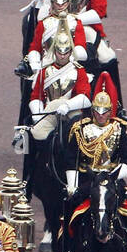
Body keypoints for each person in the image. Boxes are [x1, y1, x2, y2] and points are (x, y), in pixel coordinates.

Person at [56, 72, 127, 252]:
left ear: (110, 111)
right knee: (69, 212)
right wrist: (72, 185)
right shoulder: (80, 130)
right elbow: (71, 158)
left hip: (112, 179)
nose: (100, 115)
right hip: (87, 180)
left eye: (105, 111)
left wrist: (117, 174)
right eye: (97, 111)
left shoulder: (118, 129)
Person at [20, 25, 92, 157]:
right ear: (54, 51)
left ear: (71, 52)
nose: (63, 56)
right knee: (36, 134)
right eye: (60, 52)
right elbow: (36, 97)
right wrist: (38, 115)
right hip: (50, 112)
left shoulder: (78, 71)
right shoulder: (44, 71)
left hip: (70, 111)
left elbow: (85, 97)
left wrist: (67, 106)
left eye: (66, 52)